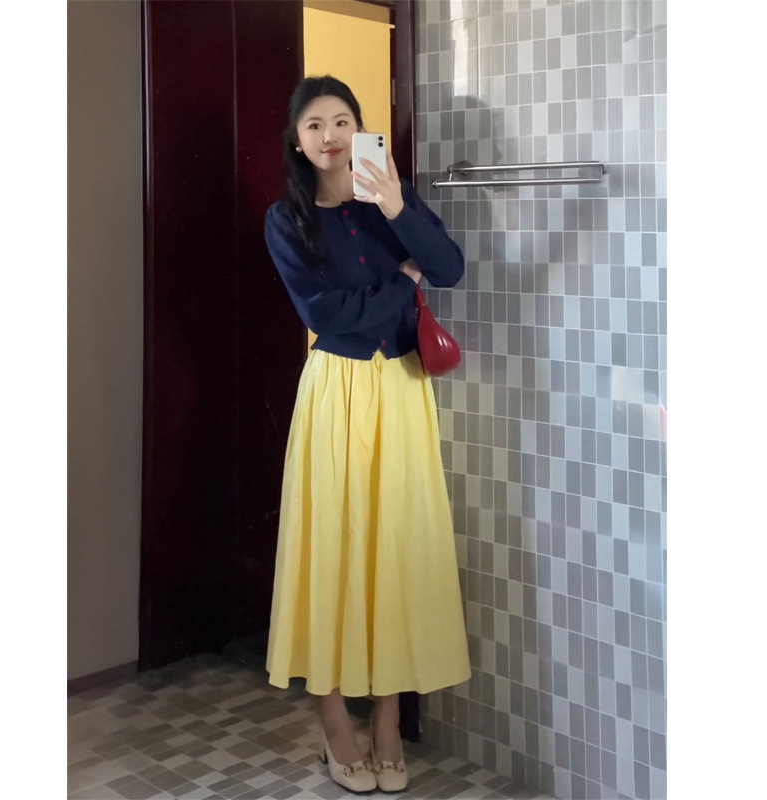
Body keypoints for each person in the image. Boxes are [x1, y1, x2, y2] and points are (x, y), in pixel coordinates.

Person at [263, 75, 472, 794]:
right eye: (315, 125)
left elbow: (450, 269)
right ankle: (335, 725)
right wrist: (400, 284)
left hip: (403, 390)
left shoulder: (390, 197)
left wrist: (397, 210)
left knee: (397, 549)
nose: (330, 136)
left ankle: (386, 723)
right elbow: (326, 314)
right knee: (330, 549)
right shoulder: (286, 220)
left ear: (359, 129)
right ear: (298, 141)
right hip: (337, 391)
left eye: (342, 121)